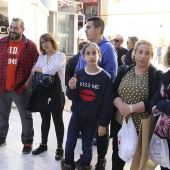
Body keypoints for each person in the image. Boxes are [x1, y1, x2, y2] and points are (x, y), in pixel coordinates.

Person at [111, 39, 163, 170]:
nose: (143, 56)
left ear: (152, 56)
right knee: (117, 158)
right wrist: (122, 108)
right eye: (140, 52)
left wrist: (130, 109)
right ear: (134, 53)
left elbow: (153, 101)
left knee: (139, 163)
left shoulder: (156, 75)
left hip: (142, 127)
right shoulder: (124, 70)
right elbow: (112, 91)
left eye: (147, 53)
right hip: (120, 123)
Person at [61, 42, 113, 170]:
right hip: (77, 115)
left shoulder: (105, 77)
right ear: (83, 57)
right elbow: (71, 96)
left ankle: (84, 165)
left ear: (99, 55)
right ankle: (68, 163)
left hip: (92, 118)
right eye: (88, 53)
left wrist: (103, 123)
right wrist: (71, 87)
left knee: (87, 144)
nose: (91, 56)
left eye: (94, 53)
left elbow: (107, 104)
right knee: (70, 141)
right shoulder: (79, 73)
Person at [75, 16, 117, 170]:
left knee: (101, 132)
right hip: (84, 101)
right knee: (87, 133)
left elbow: (111, 76)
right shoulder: (87, 47)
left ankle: (101, 160)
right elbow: (79, 69)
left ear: (98, 29)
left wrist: (94, 90)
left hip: (99, 102)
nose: (85, 30)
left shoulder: (107, 49)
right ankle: (86, 157)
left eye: (88, 27)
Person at [0, 18, 39, 153]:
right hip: (2, 87)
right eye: (11, 27)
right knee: (2, 114)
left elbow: (38, 65)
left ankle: (27, 142)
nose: (12, 30)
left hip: (21, 88)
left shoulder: (31, 46)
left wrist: (29, 83)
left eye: (16, 28)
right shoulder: (2, 43)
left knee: (25, 115)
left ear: (22, 29)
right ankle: (1, 137)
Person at [29, 33, 66, 161]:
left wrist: (36, 68)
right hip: (42, 91)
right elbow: (40, 71)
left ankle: (60, 148)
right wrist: (36, 69)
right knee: (44, 119)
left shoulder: (60, 56)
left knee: (57, 121)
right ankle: (43, 144)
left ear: (52, 41)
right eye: (42, 42)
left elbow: (51, 70)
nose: (45, 44)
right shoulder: (42, 56)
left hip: (56, 91)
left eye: (46, 41)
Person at [151, 45, 170, 170]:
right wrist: (155, 104)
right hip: (164, 133)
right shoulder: (166, 76)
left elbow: (160, 102)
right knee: (165, 164)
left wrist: (161, 105)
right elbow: (155, 98)